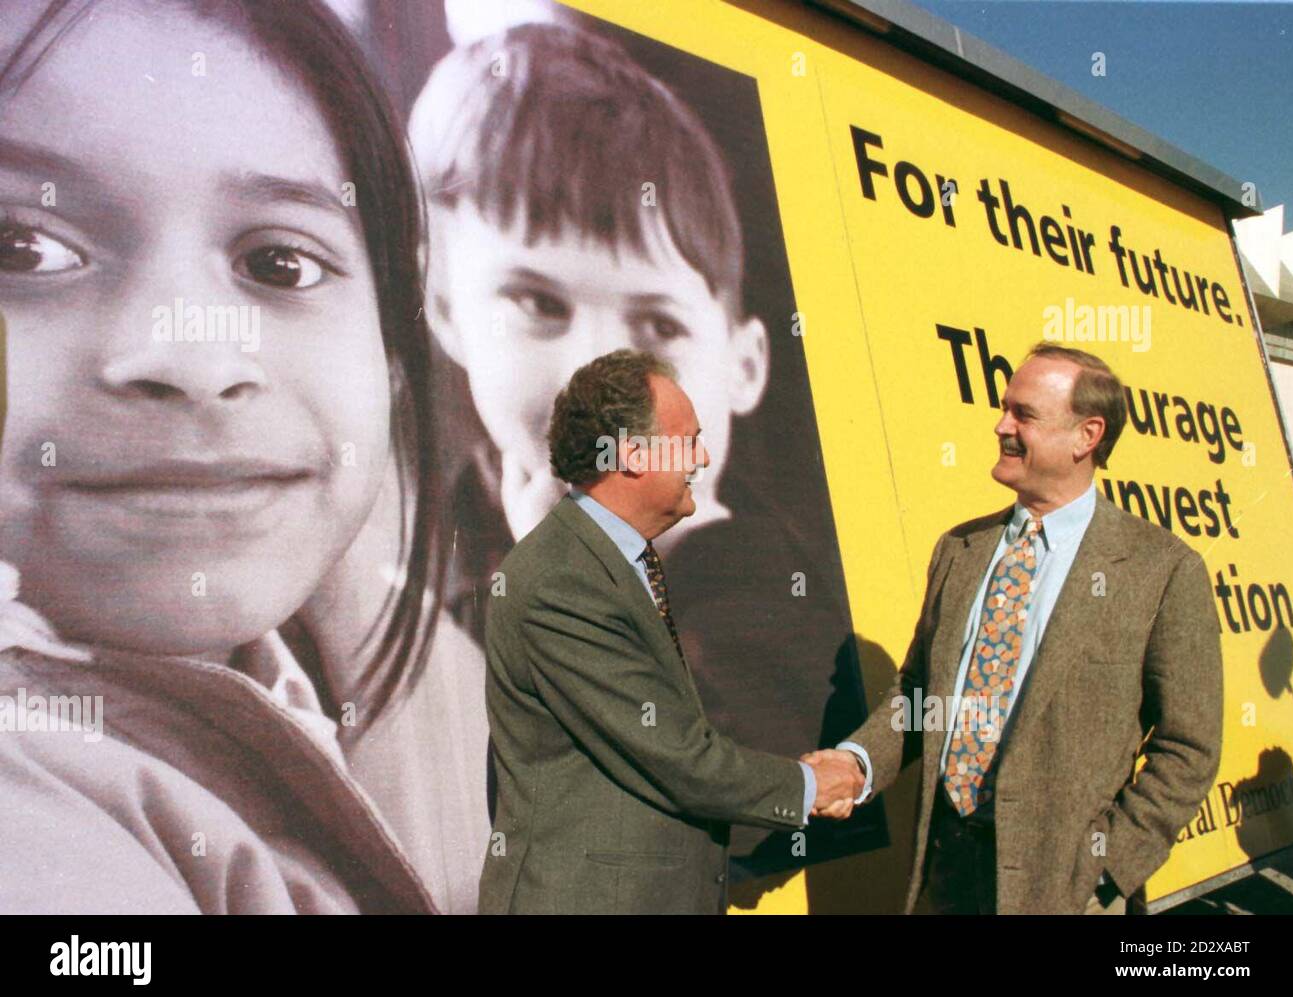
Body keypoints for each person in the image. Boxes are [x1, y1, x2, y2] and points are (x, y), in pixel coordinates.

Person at [0, 0, 445, 913]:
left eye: (279, 263)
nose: (194, 358)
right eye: (25, 247)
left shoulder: (289, 674)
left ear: (394, 358)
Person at [411, 21, 862, 870]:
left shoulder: (758, 586)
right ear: (447, 313)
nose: (599, 370)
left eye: (657, 325)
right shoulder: (438, 541)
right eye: (538, 304)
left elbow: (746, 832)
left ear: (743, 364)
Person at [806, 343, 1224, 914]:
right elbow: (919, 694)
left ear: (1087, 435)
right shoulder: (960, 549)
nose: (1001, 425)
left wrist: (1107, 867)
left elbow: (1189, 749)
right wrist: (856, 763)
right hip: (945, 870)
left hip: (1065, 889)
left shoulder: (1163, 571)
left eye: (1023, 414)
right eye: (1004, 408)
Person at [479, 350, 863, 914]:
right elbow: (676, 758)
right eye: (688, 442)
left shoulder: (612, 562)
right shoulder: (561, 579)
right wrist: (809, 786)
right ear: (632, 455)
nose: (702, 458)